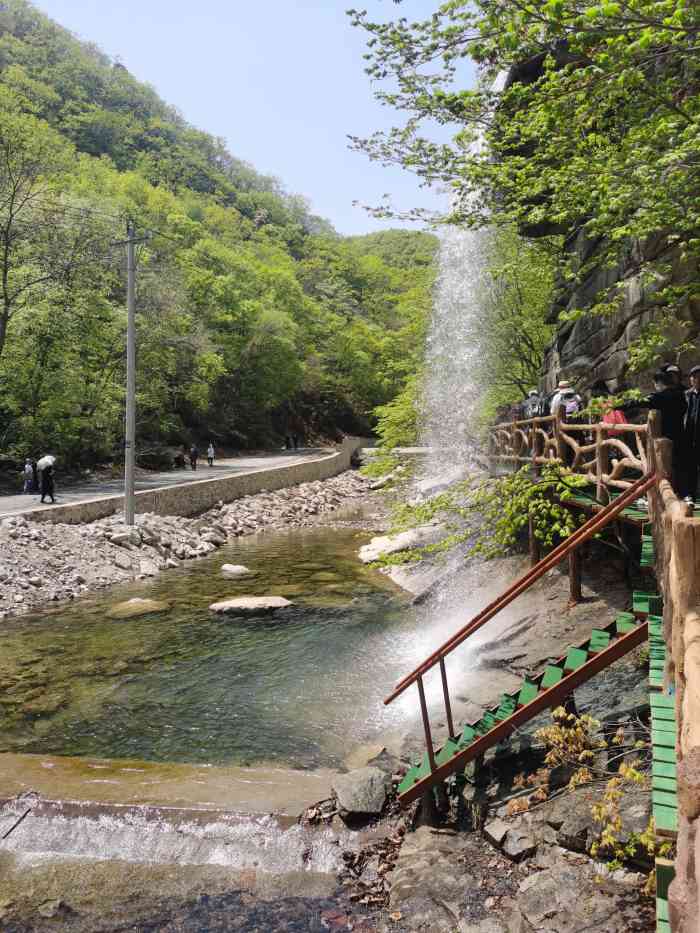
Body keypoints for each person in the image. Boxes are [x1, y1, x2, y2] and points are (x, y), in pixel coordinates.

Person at [619, 370, 687, 494]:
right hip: (681, 434)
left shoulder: (661, 396)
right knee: (678, 465)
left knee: (664, 466)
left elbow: (639, 402)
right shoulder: (681, 394)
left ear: (659, 383)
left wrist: (618, 406)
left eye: (655, 384)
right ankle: (680, 493)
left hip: (664, 436)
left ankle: (665, 493)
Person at [683, 365, 700, 502]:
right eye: (694, 377)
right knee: (690, 468)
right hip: (689, 437)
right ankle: (691, 496)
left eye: (699, 376)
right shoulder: (687, 395)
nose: (696, 379)